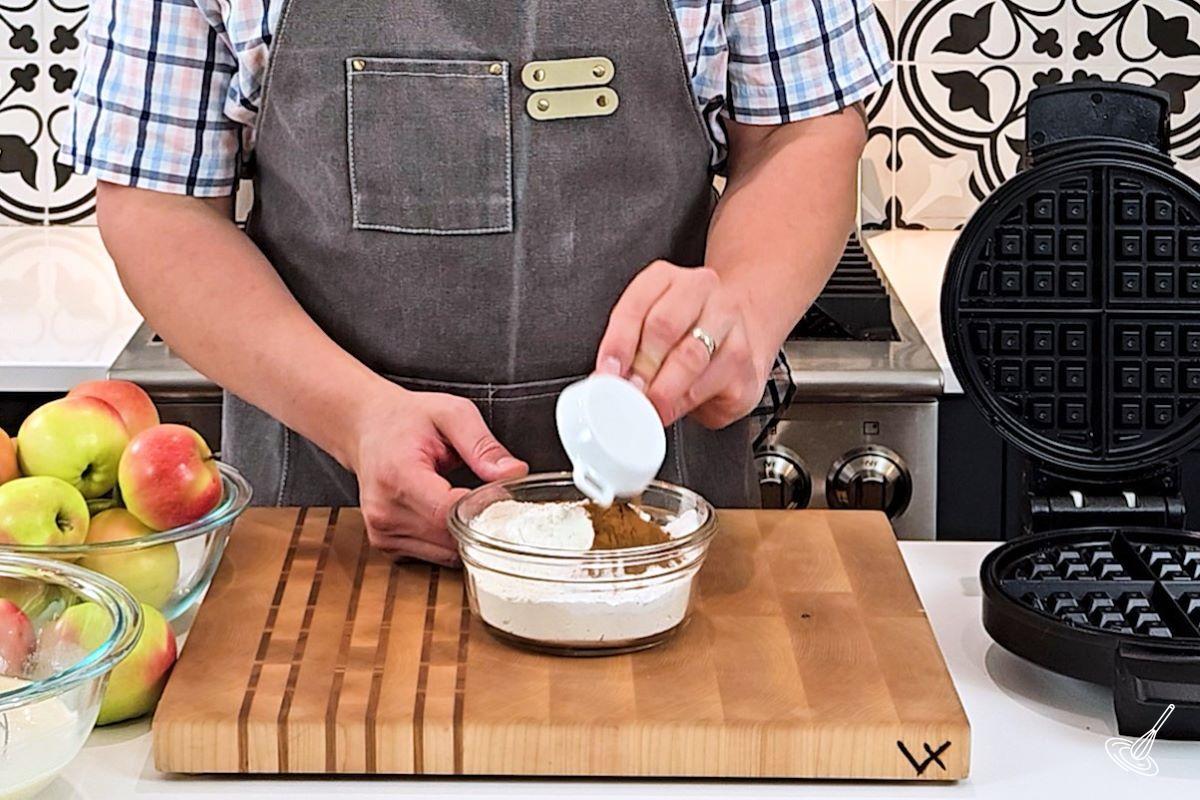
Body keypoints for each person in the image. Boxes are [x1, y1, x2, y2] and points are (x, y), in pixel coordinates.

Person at [66, 0, 891, 564]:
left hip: (659, 525)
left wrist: (743, 301)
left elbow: (802, 129)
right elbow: (156, 206)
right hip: (326, 517)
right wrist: (357, 419)